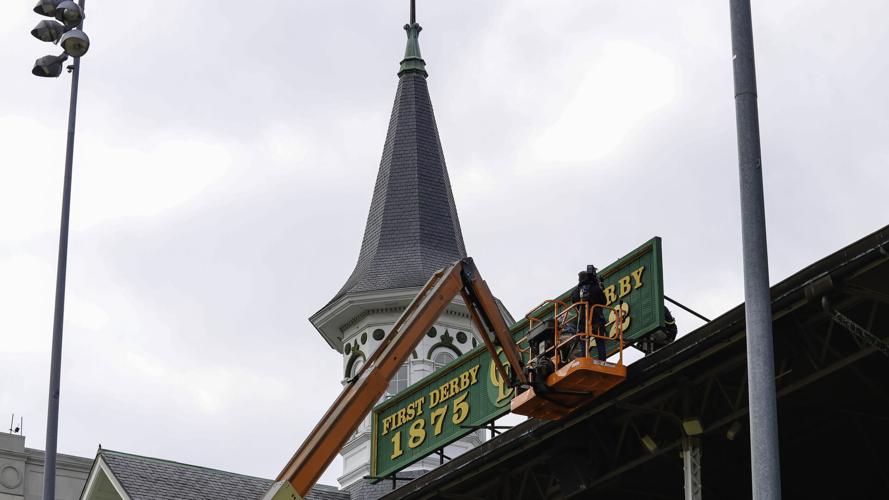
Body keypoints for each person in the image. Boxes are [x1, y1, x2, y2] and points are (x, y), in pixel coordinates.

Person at [569, 265, 608, 361]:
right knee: (600, 341)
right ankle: (602, 361)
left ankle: (584, 359)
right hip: (597, 319)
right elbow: (604, 301)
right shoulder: (595, 288)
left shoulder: (575, 292)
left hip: (582, 321)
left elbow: (574, 302)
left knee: (583, 342)